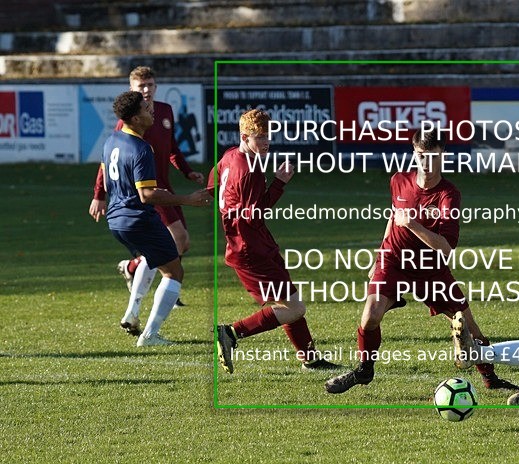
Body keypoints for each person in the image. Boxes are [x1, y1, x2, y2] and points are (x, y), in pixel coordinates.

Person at [325, 128, 519, 394]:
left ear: (443, 155)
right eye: (420, 155)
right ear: (413, 154)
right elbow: (392, 220)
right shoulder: (398, 180)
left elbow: (446, 248)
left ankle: (490, 378)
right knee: (370, 316)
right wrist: (378, 256)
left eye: (432, 156)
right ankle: (364, 370)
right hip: (393, 259)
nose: (426, 163)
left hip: (430, 267)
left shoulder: (448, 195)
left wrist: (414, 224)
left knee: (467, 324)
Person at [211, 109, 338, 373]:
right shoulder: (249, 170)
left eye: (269, 136)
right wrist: (279, 183)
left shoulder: (230, 156)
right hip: (251, 249)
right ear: (245, 136)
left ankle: (310, 359)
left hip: (253, 243)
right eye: (260, 137)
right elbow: (256, 213)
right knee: (295, 308)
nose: (266, 142)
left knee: (287, 300)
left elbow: (215, 186)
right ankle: (232, 332)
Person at [89, 66, 204, 307]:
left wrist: (187, 171)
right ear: (131, 89)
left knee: (182, 243)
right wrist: (99, 194)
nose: (146, 90)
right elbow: (107, 160)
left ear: (156, 86)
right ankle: (169, 288)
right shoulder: (129, 121)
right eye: (141, 86)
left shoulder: (164, 111)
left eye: (150, 85)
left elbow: (172, 147)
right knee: (179, 237)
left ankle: (136, 269)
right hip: (146, 192)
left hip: (164, 187)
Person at [102, 91, 209, 346]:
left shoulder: (111, 140)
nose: (151, 109)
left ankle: (132, 311)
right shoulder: (141, 148)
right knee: (174, 272)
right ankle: (149, 336)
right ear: (135, 118)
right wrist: (187, 199)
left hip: (116, 219)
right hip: (138, 219)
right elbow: (147, 194)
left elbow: (109, 180)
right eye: (145, 107)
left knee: (154, 260)